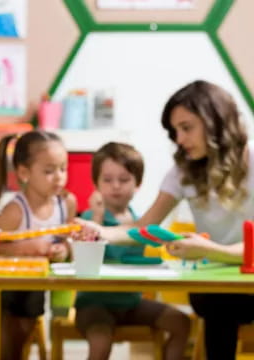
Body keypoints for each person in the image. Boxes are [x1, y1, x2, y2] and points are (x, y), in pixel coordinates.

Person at [75, 80, 254, 360]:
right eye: (175, 131)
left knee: (219, 304)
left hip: (242, 278)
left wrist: (209, 251)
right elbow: (144, 227)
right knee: (214, 301)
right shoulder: (184, 172)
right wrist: (101, 231)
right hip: (221, 287)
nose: (179, 139)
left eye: (186, 127)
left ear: (214, 120)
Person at [76, 142, 190, 360]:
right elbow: (87, 255)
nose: (116, 186)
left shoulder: (142, 222)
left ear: (137, 184)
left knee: (181, 322)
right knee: (101, 342)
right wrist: (98, 219)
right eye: (107, 180)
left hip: (131, 303)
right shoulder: (90, 219)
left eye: (124, 179)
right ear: (96, 185)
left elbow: (153, 253)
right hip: (93, 304)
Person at [0, 130, 77, 360]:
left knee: (25, 333)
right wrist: (28, 248)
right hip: (10, 288)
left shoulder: (66, 203)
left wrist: (66, 248)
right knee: (12, 341)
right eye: (49, 171)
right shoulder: (16, 210)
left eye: (63, 168)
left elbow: (71, 237)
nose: (59, 177)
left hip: (44, 286)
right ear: (24, 172)